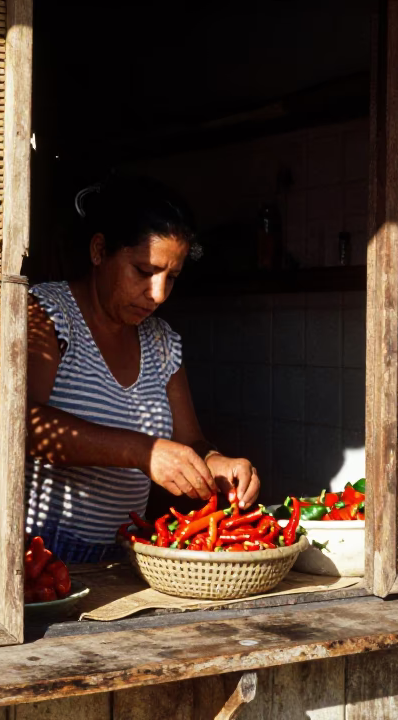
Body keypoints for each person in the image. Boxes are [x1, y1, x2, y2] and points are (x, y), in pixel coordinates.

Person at [25, 176, 262, 563]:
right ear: (99, 250)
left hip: (125, 554)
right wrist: (142, 451)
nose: (158, 294)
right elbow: (25, 425)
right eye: (144, 271)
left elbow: (191, 441)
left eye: (172, 277)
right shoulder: (49, 313)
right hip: (40, 555)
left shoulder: (161, 342)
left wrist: (218, 464)